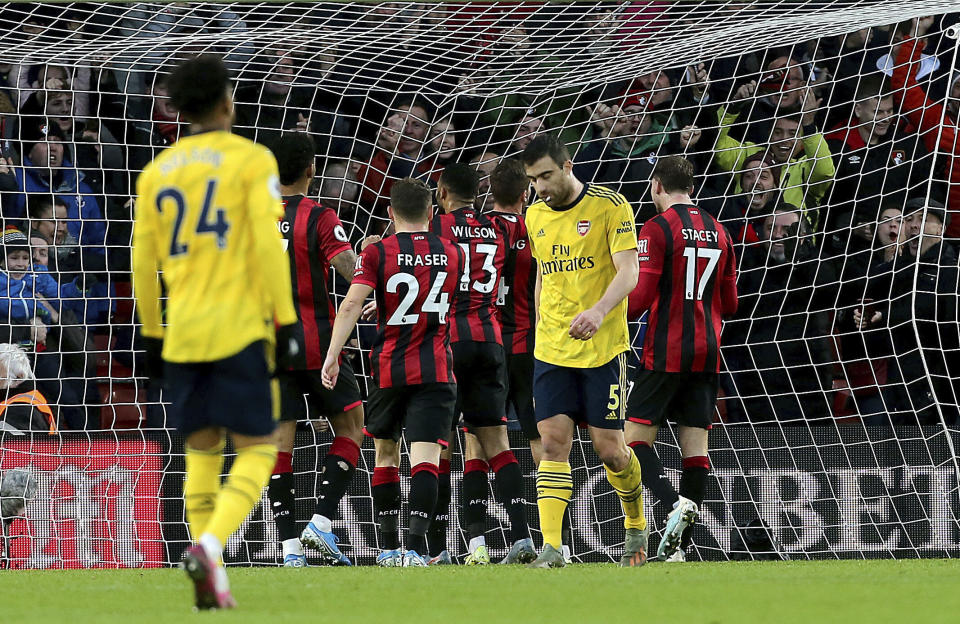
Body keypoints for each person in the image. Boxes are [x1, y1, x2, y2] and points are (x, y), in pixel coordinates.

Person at [132, 55, 298, 610]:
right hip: (239, 329)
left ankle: (213, 580)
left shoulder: (157, 171)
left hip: (182, 336)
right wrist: (288, 321)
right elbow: (269, 250)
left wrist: (153, 333)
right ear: (227, 102)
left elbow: (142, 260)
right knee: (259, 449)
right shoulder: (251, 160)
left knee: (200, 454)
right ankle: (208, 545)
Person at [320, 177, 465, 568]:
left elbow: (350, 305)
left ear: (389, 213)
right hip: (435, 369)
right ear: (433, 212)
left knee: (385, 454)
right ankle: (416, 550)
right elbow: (433, 297)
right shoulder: (454, 253)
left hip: (388, 370)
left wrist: (333, 355)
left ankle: (386, 549)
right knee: (425, 460)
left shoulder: (378, 252)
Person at [521, 134, 648, 568]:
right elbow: (543, 273)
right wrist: (541, 319)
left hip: (602, 348)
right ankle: (552, 548)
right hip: (552, 348)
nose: (539, 187)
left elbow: (630, 271)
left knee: (609, 449)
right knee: (553, 443)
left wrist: (598, 310)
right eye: (533, 179)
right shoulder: (534, 214)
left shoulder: (610, 206)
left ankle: (635, 522)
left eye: (546, 176)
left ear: (568, 165)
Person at [623, 156, 738, 562]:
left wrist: (604, 313)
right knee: (695, 449)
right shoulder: (721, 231)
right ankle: (680, 551)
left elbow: (639, 298)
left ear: (656, 186)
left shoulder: (655, 228)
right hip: (707, 349)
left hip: (665, 349)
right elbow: (732, 303)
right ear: (691, 187)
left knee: (632, 440)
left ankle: (673, 503)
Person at [265, 132, 364, 567]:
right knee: (352, 426)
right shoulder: (320, 216)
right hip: (316, 341)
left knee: (279, 446)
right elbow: (348, 268)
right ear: (311, 169)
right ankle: (320, 523)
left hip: (266, 345)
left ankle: (288, 551)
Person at [429, 162, 534, 566]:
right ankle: (521, 536)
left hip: (450, 342)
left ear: (441, 192)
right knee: (497, 443)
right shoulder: (501, 229)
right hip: (492, 342)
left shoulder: (437, 227)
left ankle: (437, 547)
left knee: (438, 445)